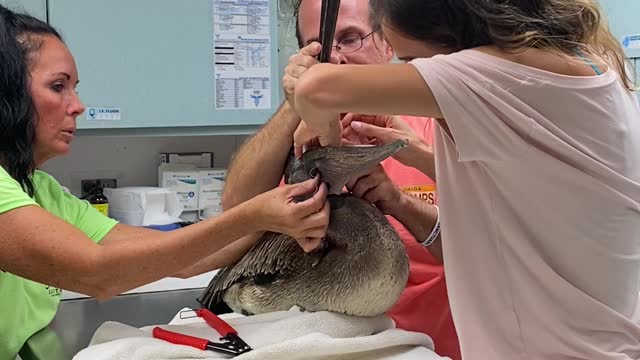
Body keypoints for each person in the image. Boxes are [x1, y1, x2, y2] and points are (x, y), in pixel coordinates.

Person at [285, 0, 640, 358]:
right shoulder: (584, 65)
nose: (415, 73)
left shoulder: (504, 75)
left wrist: (321, 120)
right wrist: (412, 149)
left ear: (454, 37)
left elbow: (316, 89)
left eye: (413, 64)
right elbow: (526, 186)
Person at [0, 7, 330, 360]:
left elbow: (177, 257)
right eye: (57, 86)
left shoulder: (41, 190)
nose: (78, 106)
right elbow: (98, 273)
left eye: (74, 88)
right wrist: (253, 216)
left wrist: (277, 221)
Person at [222, 0, 460, 358]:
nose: (334, 58)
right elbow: (234, 213)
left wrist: (400, 203)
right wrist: (297, 102)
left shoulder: (434, 131)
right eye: (318, 48)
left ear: (388, 42)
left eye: (350, 39)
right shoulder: (299, 138)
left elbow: (484, 257)